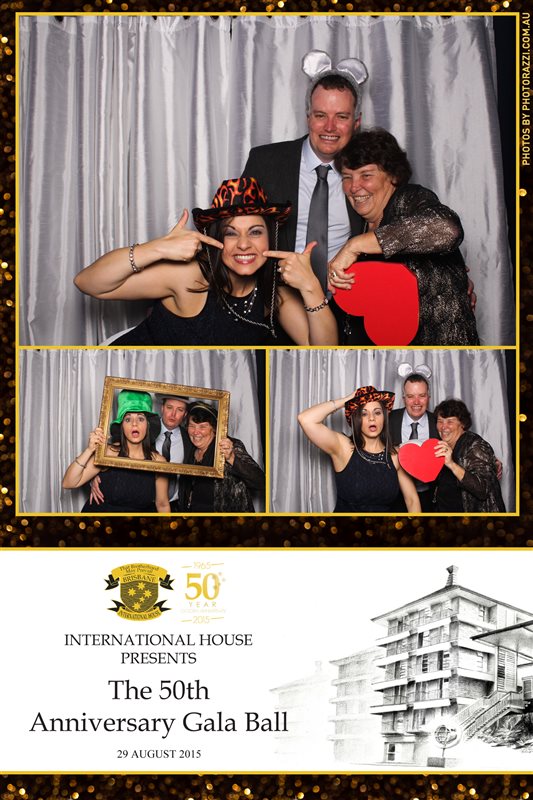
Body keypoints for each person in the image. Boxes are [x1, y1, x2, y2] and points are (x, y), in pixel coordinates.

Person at [74, 177, 337, 346]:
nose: (243, 244)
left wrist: (311, 287)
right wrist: (156, 249)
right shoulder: (191, 277)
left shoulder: (273, 292)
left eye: (255, 232)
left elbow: (322, 350)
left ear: (271, 237)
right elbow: (87, 283)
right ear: (216, 239)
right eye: (230, 233)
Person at [328, 129, 479, 346]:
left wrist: (354, 246)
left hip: (437, 350)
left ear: (394, 176)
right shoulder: (358, 225)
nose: (353, 187)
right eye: (347, 177)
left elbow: (447, 229)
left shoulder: (407, 200)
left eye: (366, 175)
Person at [297, 385, 421, 513]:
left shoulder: (395, 455)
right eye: (364, 413)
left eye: (377, 413)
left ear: (384, 417)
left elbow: (412, 500)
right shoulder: (343, 447)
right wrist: (347, 400)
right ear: (356, 419)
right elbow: (305, 419)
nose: (372, 418)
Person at [62, 390, 170, 513]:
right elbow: (68, 483)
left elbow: (162, 505)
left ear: (148, 425)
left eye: (140, 419)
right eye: (128, 419)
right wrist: (89, 450)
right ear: (121, 426)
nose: (134, 424)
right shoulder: (108, 453)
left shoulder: (159, 462)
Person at [89, 394, 191, 512]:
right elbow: (113, 455)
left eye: (180, 410)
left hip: (173, 505)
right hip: (138, 504)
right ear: (162, 408)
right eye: (169, 407)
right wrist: (94, 476)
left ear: (185, 414)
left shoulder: (191, 439)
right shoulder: (138, 429)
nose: (173, 414)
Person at [178, 402, 265, 513]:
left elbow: (260, 482)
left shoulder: (229, 446)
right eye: (192, 426)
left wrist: (231, 458)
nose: (196, 432)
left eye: (202, 426)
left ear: (214, 428)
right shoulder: (188, 449)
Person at [432, 399, 506, 513]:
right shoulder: (441, 445)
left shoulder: (476, 446)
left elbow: (482, 490)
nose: (443, 427)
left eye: (450, 421)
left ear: (462, 424)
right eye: (440, 421)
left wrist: (451, 464)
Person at [389, 372, 438, 512]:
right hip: (395, 497)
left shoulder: (438, 422)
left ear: (428, 397)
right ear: (404, 398)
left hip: (430, 497)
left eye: (421, 396)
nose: (416, 402)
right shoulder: (388, 419)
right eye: (410, 396)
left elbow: (456, 446)